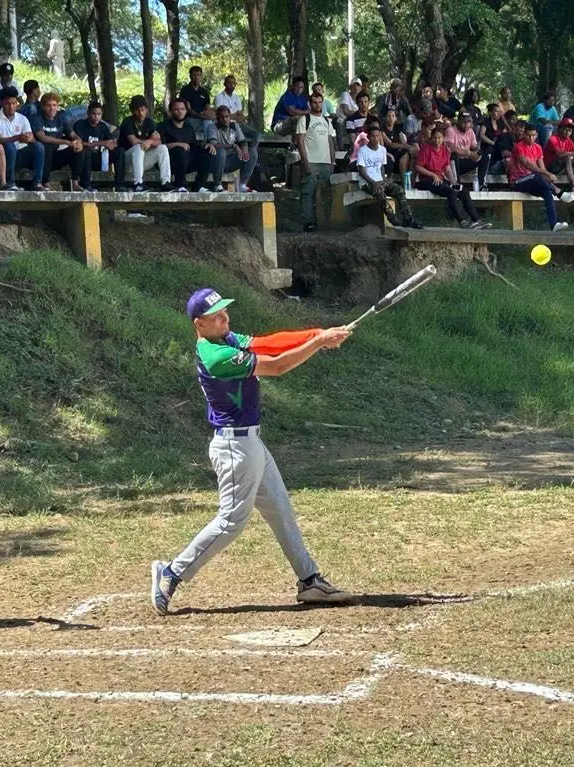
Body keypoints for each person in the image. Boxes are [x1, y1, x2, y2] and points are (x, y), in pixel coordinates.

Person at [150, 290, 354, 616]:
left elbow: (268, 343)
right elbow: (275, 366)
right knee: (231, 522)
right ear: (199, 324)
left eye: (224, 312)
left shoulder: (228, 338)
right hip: (234, 448)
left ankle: (310, 580)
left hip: (250, 444)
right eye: (216, 315)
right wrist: (318, 344)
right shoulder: (216, 355)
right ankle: (171, 571)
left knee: (280, 510)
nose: (224, 318)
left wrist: (316, 334)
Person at [414, 127, 489, 229]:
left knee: (463, 191)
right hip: (427, 180)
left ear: (443, 138)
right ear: (431, 138)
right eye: (435, 138)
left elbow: (447, 168)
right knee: (451, 192)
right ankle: (461, 221)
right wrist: (432, 175)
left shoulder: (445, 150)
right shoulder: (426, 149)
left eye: (439, 138)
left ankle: (476, 220)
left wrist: (454, 182)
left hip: (440, 179)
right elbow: (418, 167)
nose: (437, 140)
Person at [356, 123, 422, 229]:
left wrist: (383, 180)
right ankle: (393, 219)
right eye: (373, 136)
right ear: (368, 137)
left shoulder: (382, 150)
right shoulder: (363, 150)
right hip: (367, 182)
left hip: (380, 180)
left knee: (399, 190)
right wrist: (374, 183)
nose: (375, 138)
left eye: (377, 136)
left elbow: (381, 168)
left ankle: (408, 218)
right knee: (379, 193)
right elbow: (362, 171)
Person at [509, 123, 569, 230]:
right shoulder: (519, 147)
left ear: (536, 135)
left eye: (533, 135)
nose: (531, 138)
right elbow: (529, 165)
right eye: (528, 135)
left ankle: (554, 224)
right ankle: (558, 191)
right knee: (537, 176)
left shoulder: (538, 148)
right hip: (518, 181)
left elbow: (542, 168)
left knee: (547, 192)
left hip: (534, 180)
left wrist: (547, 175)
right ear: (524, 134)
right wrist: (548, 174)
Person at [0, 86, 45, 191]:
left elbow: (31, 137)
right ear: (2, 103)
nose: (11, 107)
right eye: (8, 103)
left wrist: (29, 138)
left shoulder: (22, 119)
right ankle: (10, 182)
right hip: (0, 158)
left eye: (14, 103)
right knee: (9, 146)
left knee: (39, 146)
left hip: (18, 155)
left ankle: (37, 183)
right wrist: (17, 137)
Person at [30, 91, 87, 191]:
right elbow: (43, 138)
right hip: (39, 158)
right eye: (48, 105)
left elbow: (73, 135)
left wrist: (78, 142)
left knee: (78, 149)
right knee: (47, 146)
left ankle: (75, 182)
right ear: (43, 107)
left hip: (55, 157)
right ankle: (45, 182)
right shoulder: (36, 118)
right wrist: (66, 142)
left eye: (54, 105)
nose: (52, 108)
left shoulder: (61, 118)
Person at [296, 91, 336, 232]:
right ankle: (308, 222)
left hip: (325, 162)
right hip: (311, 161)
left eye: (320, 102)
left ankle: (324, 221)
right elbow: (300, 142)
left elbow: (330, 141)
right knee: (308, 193)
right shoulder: (304, 120)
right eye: (314, 102)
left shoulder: (326, 121)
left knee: (324, 194)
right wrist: (305, 163)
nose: (317, 105)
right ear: (310, 103)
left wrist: (333, 161)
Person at [118, 95, 170, 192]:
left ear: (146, 110)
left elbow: (158, 141)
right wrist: (148, 141)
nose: (140, 113)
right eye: (137, 110)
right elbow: (133, 141)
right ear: (132, 111)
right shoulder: (127, 121)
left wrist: (150, 141)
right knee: (138, 147)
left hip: (142, 161)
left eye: (142, 110)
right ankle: (138, 183)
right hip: (126, 162)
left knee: (162, 148)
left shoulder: (149, 122)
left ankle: (166, 182)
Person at [202, 105, 256, 192]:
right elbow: (214, 145)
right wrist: (233, 146)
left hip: (230, 161)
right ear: (217, 118)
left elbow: (243, 141)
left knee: (252, 152)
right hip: (215, 162)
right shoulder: (212, 127)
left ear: (230, 117)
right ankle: (217, 185)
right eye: (222, 117)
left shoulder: (234, 126)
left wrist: (244, 148)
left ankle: (242, 185)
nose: (225, 120)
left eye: (227, 117)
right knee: (221, 152)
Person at [73, 100, 124, 190]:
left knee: (119, 151)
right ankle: (86, 185)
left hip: (100, 158)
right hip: (85, 158)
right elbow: (79, 143)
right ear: (88, 113)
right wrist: (101, 143)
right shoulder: (80, 124)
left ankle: (119, 185)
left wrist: (113, 144)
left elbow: (110, 141)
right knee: (86, 151)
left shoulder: (102, 126)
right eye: (93, 113)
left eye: (99, 114)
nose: (96, 117)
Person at [159, 97, 205, 192]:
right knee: (180, 150)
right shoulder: (163, 126)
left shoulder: (188, 127)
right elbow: (160, 147)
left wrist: (206, 146)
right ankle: (180, 185)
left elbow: (194, 145)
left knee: (208, 153)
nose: (180, 112)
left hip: (187, 163)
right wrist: (177, 144)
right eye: (176, 109)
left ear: (186, 111)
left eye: (182, 109)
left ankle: (199, 186)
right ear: (171, 111)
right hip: (170, 163)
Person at [214, 74, 260, 151]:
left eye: (234, 83)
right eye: (229, 83)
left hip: (239, 124)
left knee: (257, 135)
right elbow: (221, 116)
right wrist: (234, 116)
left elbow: (240, 114)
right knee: (239, 139)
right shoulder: (219, 97)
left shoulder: (237, 97)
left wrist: (234, 116)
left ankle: (251, 154)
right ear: (224, 84)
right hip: (227, 125)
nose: (232, 85)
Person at [444, 112, 489, 189]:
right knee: (454, 156)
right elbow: (451, 148)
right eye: (464, 122)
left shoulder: (470, 131)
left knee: (485, 156)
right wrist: (468, 153)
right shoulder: (450, 130)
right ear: (458, 121)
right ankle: (456, 184)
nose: (466, 124)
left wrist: (477, 152)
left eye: (469, 122)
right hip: (452, 163)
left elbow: (474, 146)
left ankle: (481, 184)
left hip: (465, 161)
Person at [543, 118, 574, 191]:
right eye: (566, 129)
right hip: (550, 167)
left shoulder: (569, 141)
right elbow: (560, 154)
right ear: (560, 129)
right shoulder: (553, 139)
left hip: (561, 167)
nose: (568, 132)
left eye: (570, 130)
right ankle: (573, 184)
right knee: (567, 158)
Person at [180, 65, 215, 133]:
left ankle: (210, 142)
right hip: (191, 118)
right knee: (206, 123)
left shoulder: (204, 92)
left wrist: (209, 114)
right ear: (190, 76)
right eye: (194, 75)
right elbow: (188, 110)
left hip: (203, 117)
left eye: (199, 75)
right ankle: (205, 142)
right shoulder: (185, 90)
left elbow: (207, 107)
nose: (196, 77)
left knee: (210, 122)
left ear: (201, 77)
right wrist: (200, 116)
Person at [379, 107, 411, 175]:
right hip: (388, 153)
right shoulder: (382, 130)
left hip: (398, 152)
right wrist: (406, 146)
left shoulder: (397, 128)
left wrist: (406, 145)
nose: (391, 118)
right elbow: (390, 144)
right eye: (388, 116)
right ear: (384, 118)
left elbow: (403, 141)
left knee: (408, 154)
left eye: (393, 116)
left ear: (396, 118)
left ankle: (406, 180)